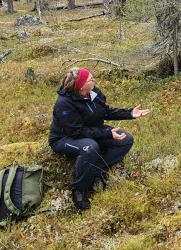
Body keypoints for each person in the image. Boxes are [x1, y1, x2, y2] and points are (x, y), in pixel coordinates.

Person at [49, 68, 151, 211]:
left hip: (91, 131)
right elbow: (76, 132)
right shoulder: (64, 103)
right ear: (81, 85)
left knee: (126, 139)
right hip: (64, 138)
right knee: (90, 147)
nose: (94, 81)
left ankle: (97, 170)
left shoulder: (94, 92)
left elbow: (105, 112)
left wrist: (129, 113)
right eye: (90, 79)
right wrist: (107, 134)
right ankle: (79, 189)